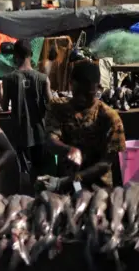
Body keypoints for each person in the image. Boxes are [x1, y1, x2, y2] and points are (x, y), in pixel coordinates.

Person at [40, 61, 126, 192]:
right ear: (70, 84)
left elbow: (106, 162)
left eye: (88, 94)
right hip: (65, 186)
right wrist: (69, 150)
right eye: (77, 92)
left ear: (98, 89)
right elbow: (50, 140)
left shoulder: (110, 118)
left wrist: (74, 179)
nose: (81, 98)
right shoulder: (57, 108)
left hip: (99, 189)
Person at [0, 39, 52, 185]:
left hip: (20, 134)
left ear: (15, 55)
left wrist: (0, 90)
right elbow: (51, 106)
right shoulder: (43, 79)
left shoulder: (8, 79)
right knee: (41, 173)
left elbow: (3, 107)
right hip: (40, 134)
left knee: (24, 173)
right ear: (31, 54)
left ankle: (27, 199)